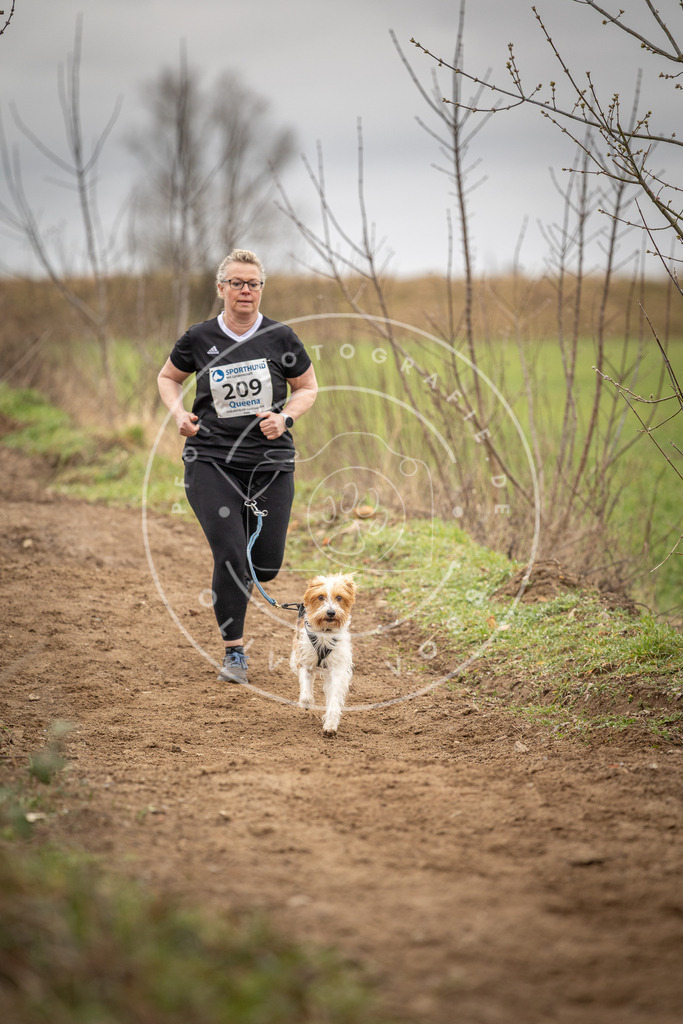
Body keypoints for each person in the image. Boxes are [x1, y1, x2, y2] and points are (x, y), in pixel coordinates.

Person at [157, 249, 318, 684]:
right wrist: (179, 415)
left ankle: (250, 584)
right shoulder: (199, 336)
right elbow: (168, 377)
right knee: (231, 553)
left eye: (253, 283)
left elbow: (307, 388)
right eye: (236, 283)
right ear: (221, 288)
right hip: (211, 459)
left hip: (270, 462)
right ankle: (234, 654)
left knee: (264, 565)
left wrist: (286, 418)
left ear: (261, 289)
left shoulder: (281, 338)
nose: (245, 290)